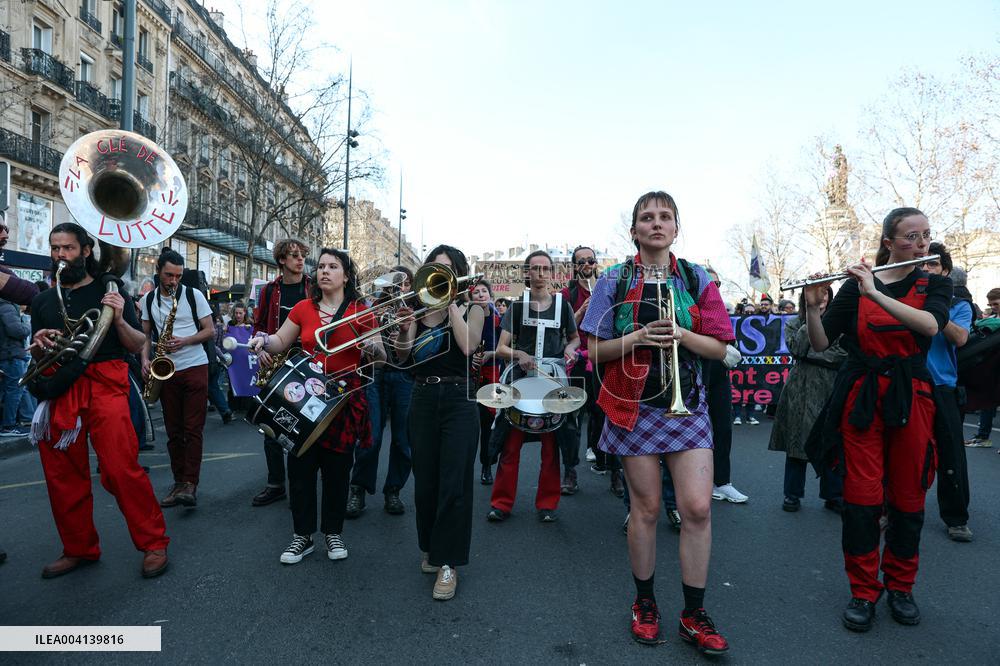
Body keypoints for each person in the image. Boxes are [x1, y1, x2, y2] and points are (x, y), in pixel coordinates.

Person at [582, 191, 733, 653]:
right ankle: (644, 602)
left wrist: (684, 333)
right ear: (634, 230)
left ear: (676, 227)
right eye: (646, 218)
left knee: (698, 508)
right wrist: (639, 337)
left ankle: (694, 612)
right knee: (645, 510)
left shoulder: (695, 276)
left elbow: (721, 348)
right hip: (635, 407)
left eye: (665, 217)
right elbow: (593, 353)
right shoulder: (612, 280)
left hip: (687, 406)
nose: (656, 223)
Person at [805, 207, 951, 632]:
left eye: (926, 235)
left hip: (913, 398)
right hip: (863, 397)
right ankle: (863, 591)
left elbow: (929, 326)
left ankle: (901, 587)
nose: (921, 244)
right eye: (911, 237)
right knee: (862, 498)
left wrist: (874, 292)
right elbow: (820, 342)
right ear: (889, 242)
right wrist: (814, 307)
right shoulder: (856, 288)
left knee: (908, 497)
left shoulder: (936, 284)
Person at [29, 223, 168, 579]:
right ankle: (78, 548)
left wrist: (119, 317)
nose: (61, 255)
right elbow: (36, 350)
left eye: (69, 249)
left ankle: (153, 543)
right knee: (62, 474)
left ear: (86, 251)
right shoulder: (43, 300)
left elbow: (137, 343)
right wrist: (41, 341)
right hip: (61, 384)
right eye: (55, 248)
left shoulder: (111, 289)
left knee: (120, 468)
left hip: (106, 381)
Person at [248, 248, 383, 564]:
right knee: (300, 468)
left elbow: (383, 358)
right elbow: (280, 341)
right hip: (305, 397)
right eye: (321, 266)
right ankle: (302, 536)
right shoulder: (303, 308)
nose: (324, 271)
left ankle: (333, 533)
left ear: (346, 275)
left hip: (343, 398)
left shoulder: (362, 311)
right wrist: (262, 340)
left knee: (338, 469)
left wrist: (373, 347)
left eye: (333, 266)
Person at [394, 245, 485, 601]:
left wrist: (450, 305)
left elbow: (467, 346)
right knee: (426, 481)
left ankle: (449, 562)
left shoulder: (472, 308)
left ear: (458, 274)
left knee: (455, 483)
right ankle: (431, 548)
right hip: (422, 397)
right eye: (435, 268)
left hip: (460, 399)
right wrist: (404, 329)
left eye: (447, 269)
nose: (440, 273)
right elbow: (403, 356)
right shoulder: (415, 308)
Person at [488, 250, 579, 523]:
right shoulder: (517, 306)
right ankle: (501, 504)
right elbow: (502, 347)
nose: (540, 274)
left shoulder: (564, 306)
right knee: (511, 443)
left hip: (551, 379)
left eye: (545, 269)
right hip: (521, 380)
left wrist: (571, 351)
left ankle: (547, 504)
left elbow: (574, 339)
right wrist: (519, 355)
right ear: (527, 273)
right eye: (535, 269)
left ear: (552, 273)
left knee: (551, 444)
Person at [141, 248, 214, 509]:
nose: (173, 281)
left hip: (195, 366)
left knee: (192, 429)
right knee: (174, 431)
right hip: (166, 369)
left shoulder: (194, 296)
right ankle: (178, 481)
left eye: (178, 276)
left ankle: (190, 484)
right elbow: (145, 337)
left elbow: (210, 331)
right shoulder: (148, 300)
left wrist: (185, 340)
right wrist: (145, 360)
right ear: (159, 271)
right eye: (169, 275)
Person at [768, 287, 845, 512]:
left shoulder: (840, 321)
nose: (821, 298)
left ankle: (833, 495)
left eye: (825, 294)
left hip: (831, 386)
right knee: (796, 443)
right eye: (816, 294)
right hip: (800, 388)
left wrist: (813, 353)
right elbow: (797, 349)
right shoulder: (794, 323)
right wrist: (812, 321)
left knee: (830, 441)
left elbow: (842, 355)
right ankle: (792, 495)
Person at [347, 266, 416, 516]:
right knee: (370, 436)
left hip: (405, 374)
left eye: (406, 283)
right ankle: (358, 489)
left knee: (403, 439)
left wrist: (406, 329)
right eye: (395, 282)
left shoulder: (415, 308)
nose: (400, 287)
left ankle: (393, 490)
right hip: (375, 374)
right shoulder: (372, 306)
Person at [250, 239, 312, 507]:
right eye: (294, 256)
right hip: (276, 361)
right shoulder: (268, 291)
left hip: (308, 362)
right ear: (282, 261)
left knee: (306, 424)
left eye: (302, 256)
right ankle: (276, 483)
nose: (300, 260)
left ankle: (304, 482)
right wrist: (259, 350)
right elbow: (258, 326)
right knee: (271, 423)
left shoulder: (312, 287)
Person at [921, 246, 973, 542]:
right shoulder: (903, 297)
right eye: (923, 264)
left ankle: (956, 518)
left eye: (934, 265)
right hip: (906, 383)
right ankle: (890, 509)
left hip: (942, 386)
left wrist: (935, 310)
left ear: (944, 272)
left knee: (951, 451)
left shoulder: (959, 304)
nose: (927, 269)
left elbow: (961, 338)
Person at [560, 245, 621, 495]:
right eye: (581, 261)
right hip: (577, 360)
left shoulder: (608, 287)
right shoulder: (568, 293)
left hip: (603, 360)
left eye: (591, 260)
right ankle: (570, 472)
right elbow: (563, 329)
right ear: (574, 266)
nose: (587, 264)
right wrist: (582, 310)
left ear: (596, 263)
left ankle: (615, 472)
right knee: (572, 418)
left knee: (607, 415)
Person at [704, 268, 748, 504]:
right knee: (693, 435)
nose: (714, 288)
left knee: (724, 429)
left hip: (719, 374)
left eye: (717, 284)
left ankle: (722, 482)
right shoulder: (690, 305)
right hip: (697, 374)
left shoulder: (721, 309)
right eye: (710, 284)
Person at [469, 278, 502, 485]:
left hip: (491, 373)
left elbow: (505, 345)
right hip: (469, 373)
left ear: (490, 295)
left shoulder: (498, 318)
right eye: (476, 292)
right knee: (470, 424)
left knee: (488, 423)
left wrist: (491, 353)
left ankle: (487, 465)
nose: (481, 294)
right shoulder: (467, 315)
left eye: (484, 291)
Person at [964, 287, 1000, 448]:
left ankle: (982, 436)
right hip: (991, 368)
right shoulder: (992, 319)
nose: (993, 307)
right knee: (987, 402)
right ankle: (982, 436)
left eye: (996, 304)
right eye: (991, 304)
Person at [0, 293, 31, 437]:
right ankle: (9, 426)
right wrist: (26, 323)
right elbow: (16, 331)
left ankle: (18, 421)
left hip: (7, 354)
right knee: (15, 391)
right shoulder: (7, 307)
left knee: (11, 390)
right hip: (12, 354)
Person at [208, 303, 234, 424]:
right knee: (214, 387)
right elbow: (222, 344)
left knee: (210, 387)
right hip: (217, 361)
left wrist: (221, 357)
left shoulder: (207, 328)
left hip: (209, 359)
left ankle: (223, 409)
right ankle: (224, 410)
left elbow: (213, 347)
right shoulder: (219, 327)